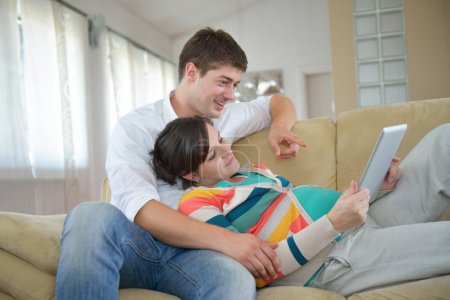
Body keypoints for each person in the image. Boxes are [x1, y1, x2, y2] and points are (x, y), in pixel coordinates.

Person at [56, 27, 308, 300]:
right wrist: (229, 241)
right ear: (192, 72)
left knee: (235, 278)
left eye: (235, 85)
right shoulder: (136, 127)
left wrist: (279, 128)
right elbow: (142, 210)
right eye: (223, 82)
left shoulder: (225, 115)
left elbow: (277, 102)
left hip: (198, 258)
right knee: (89, 215)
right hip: (140, 247)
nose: (231, 94)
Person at [150, 116, 450, 295]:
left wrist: (375, 190)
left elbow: (320, 208)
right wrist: (335, 223)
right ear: (190, 174)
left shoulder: (252, 171)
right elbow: (262, 269)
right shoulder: (196, 203)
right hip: (334, 257)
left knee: (442, 140)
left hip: (360, 219)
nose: (226, 151)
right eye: (212, 154)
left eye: (222, 140)